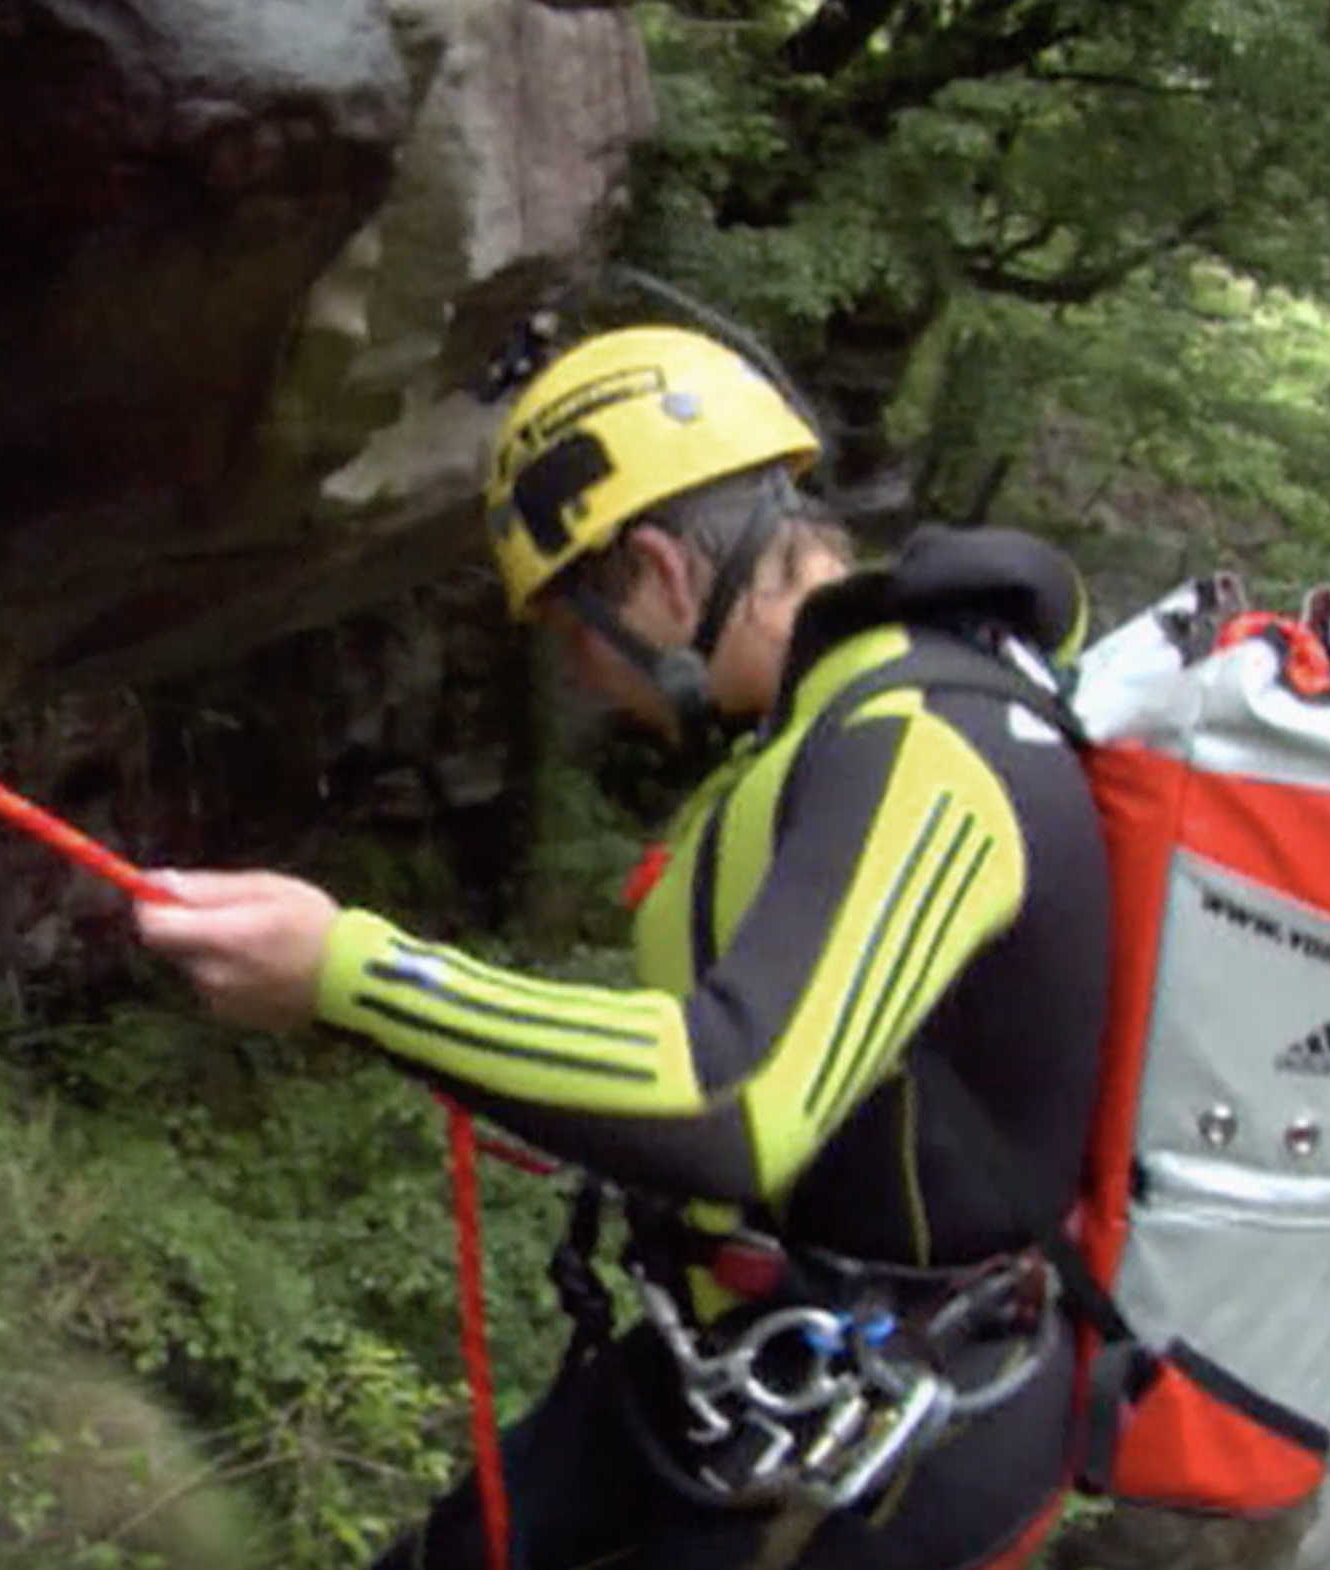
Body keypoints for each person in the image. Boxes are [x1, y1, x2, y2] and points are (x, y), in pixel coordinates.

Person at [135, 323, 1112, 1570]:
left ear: (656, 571)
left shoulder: (926, 743)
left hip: (890, 1451)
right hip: (762, 1372)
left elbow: (732, 1093)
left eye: (571, 628)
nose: (582, 676)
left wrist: (351, 974)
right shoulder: (824, 734)